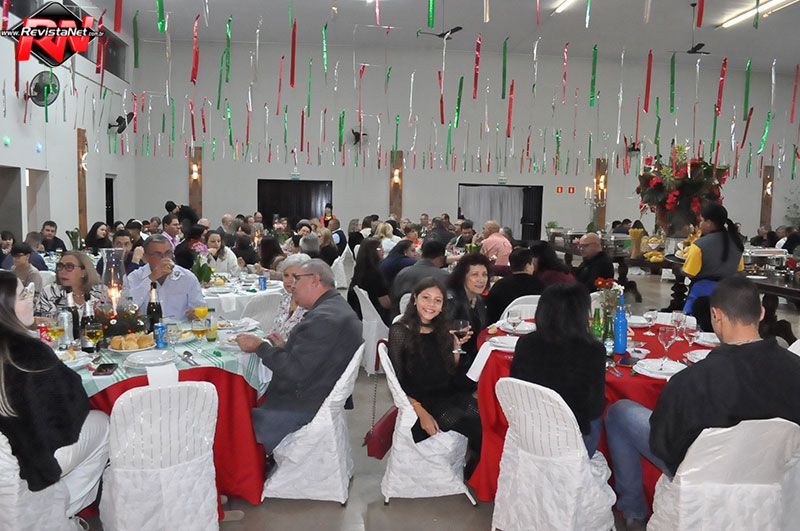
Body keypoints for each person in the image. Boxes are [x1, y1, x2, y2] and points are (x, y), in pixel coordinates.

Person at [605, 277, 800, 529]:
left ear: (715, 315)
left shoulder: (692, 379)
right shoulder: (795, 367)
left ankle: (633, 514)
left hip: (702, 473)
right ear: (761, 313)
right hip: (770, 469)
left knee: (620, 412)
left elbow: (664, 446)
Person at [0, 271, 109, 521]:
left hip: (7, 454)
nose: (31, 298)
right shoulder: (28, 353)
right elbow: (73, 407)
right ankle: (60, 511)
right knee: (102, 423)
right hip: (29, 458)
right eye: (23, 294)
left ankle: (52, 507)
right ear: (5, 307)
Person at [235, 260, 362, 452]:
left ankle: (254, 462)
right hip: (320, 392)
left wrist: (260, 347)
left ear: (315, 280)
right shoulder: (335, 307)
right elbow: (315, 356)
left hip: (302, 405)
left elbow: (294, 371)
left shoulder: (323, 319)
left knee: (235, 417)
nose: (292, 285)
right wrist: (285, 347)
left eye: (297, 278)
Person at [388, 277, 482, 474]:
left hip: (448, 393)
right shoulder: (400, 331)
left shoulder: (442, 329)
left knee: (487, 419)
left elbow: (450, 371)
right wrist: (421, 412)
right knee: (476, 428)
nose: (431, 305)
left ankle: (476, 466)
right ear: (415, 298)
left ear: (442, 306)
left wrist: (455, 347)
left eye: (437, 300)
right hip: (425, 401)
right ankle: (476, 472)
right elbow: (398, 383)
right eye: (426, 297)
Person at [510, 283, 605, 456]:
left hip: (530, 433)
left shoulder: (525, 343)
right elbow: (595, 407)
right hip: (574, 440)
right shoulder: (594, 350)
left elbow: (516, 388)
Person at [681, 202, 744, 314]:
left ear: (709, 223)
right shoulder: (737, 243)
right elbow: (739, 269)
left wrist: (679, 269)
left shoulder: (699, 245)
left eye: (702, 220)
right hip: (728, 296)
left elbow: (690, 273)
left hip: (702, 297)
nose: (700, 224)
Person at [125, 235, 205, 320]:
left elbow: (200, 308)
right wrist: (151, 278)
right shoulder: (135, 277)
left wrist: (195, 314)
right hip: (147, 327)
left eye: (167, 253)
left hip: (180, 327)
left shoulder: (187, 277)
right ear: (145, 257)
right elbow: (128, 308)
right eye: (157, 254)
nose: (164, 258)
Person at [446, 253, 492, 363]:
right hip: (454, 360)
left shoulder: (478, 299)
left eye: (484, 275)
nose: (481, 280)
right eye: (475, 275)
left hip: (474, 357)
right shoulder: (451, 301)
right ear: (462, 277)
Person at [36, 251, 108, 318]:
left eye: (69, 267)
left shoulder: (101, 292)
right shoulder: (50, 292)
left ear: (84, 272)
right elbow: (44, 321)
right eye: (60, 266)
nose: (63, 271)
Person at [485, 247, 544, 323]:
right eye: (532, 264)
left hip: (503, 326)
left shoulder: (499, 286)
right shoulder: (541, 285)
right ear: (527, 266)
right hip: (534, 325)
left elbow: (490, 313)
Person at [347, 238, 391, 325]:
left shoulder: (358, 270)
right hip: (376, 315)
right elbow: (385, 303)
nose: (383, 250)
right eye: (379, 248)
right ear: (372, 252)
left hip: (359, 313)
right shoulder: (376, 274)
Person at [269, 253, 312, 339]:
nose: (289, 280)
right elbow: (275, 329)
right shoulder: (286, 297)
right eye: (286, 275)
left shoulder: (310, 304)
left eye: (295, 277)